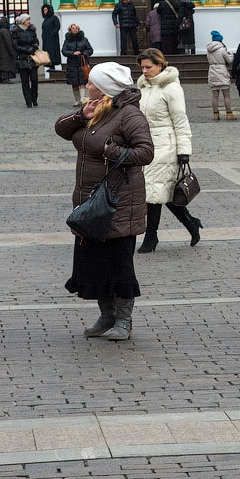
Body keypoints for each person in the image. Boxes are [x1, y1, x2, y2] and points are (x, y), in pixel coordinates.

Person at [56, 62, 154, 341]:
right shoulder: (94, 109)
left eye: (91, 82)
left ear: (105, 87)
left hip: (118, 202)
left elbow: (146, 152)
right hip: (91, 202)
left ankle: (124, 318)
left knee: (119, 263)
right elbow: (61, 129)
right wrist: (78, 116)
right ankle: (106, 315)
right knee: (94, 263)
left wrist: (111, 150)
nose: (87, 85)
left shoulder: (129, 115)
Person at [135, 49, 202, 253]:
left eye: (149, 67)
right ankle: (191, 223)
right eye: (142, 68)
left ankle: (151, 237)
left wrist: (184, 150)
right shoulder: (143, 87)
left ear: (160, 65)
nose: (145, 71)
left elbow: (180, 120)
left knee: (153, 191)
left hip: (166, 144)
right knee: (166, 192)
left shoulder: (171, 88)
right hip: (145, 143)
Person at [11, 14, 40, 108]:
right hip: (22, 58)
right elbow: (15, 45)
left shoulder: (32, 30)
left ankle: (34, 98)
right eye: (27, 19)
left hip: (32, 58)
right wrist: (26, 50)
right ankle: (28, 101)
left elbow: (36, 41)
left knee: (34, 80)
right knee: (25, 81)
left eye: (29, 19)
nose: (29, 21)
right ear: (23, 21)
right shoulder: (16, 31)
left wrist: (34, 47)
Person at [62, 24, 93, 106]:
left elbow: (90, 50)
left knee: (82, 81)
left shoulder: (84, 39)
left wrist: (83, 53)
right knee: (74, 83)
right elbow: (64, 51)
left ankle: (82, 99)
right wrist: (72, 53)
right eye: (73, 28)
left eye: (76, 28)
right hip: (72, 64)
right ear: (70, 30)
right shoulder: (67, 40)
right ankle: (77, 100)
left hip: (82, 63)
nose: (75, 30)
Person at [206, 30, 234, 121]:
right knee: (226, 95)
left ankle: (215, 114)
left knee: (215, 95)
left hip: (212, 71)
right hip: (222, 71)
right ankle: (229, 114)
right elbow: (229, 60)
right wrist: (231, 55)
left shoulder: (209, 50)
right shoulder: (222, 49)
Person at [0, 18, 17, 84]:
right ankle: (5, 78)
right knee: (6, 65)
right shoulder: (5, 31)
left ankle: (0, 78)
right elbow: (8, 42)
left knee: (2, 64)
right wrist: (12, 51)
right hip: (5, 51)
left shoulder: (0, 30)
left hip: (1, 50)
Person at [40, 4, 61, 69]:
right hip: (46, 40)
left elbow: (57, 26)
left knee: (53, 53)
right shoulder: (45, 19)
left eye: (46, 10)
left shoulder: (54, 18)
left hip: (52, 40)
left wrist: (52, 34)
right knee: (47, 53)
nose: (45, 12)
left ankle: (53, 65)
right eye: (44, 10)